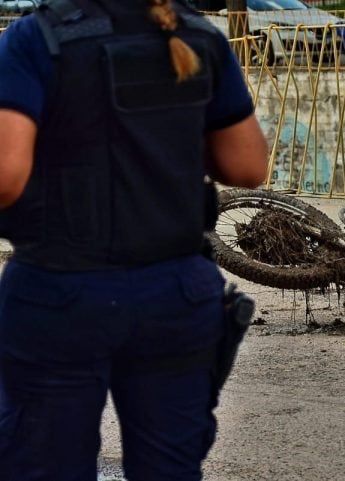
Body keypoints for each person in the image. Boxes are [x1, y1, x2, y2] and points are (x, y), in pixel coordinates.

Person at [0, 0, 269, 479]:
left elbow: (6, 178)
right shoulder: (198, 36)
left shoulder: (35, 39)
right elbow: (247, 167)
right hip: (176, 293)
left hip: (61, 293)